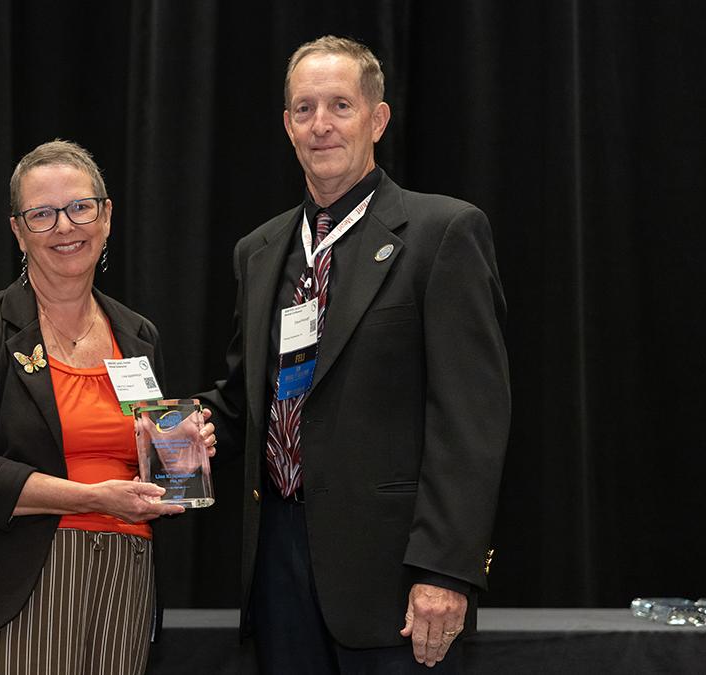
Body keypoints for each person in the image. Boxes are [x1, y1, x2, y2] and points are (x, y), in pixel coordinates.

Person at [199, 36, 510, 673]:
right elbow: (245, 402)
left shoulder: (441, 234)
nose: (321, 124)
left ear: (378, 117)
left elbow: (470, 420)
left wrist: (445, 571)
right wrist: (177, 429)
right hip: (278, 566)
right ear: (286, 125)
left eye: (340, 105)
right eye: (304, 108)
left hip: (395, 578)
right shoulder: (258, 253)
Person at [0, 139, 215, 675]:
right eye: (42, 214)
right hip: (16, 590)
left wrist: (183, 453)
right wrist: (91, 498)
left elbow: (149, 466)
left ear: (106, 217)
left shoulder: (137, 334)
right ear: (18, 230)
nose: (65, 226)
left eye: (80, 207)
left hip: (124, 584)